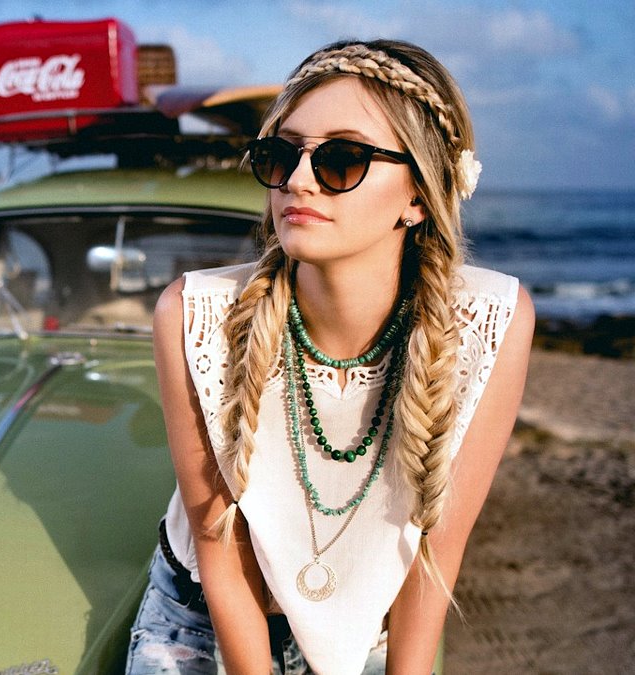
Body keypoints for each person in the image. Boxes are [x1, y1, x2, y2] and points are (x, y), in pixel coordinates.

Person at [126, 39, 534, 675]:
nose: (297, 179)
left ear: (419, 198)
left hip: (368, 618)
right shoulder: (193, 314)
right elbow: (220, 548)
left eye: (342, 159)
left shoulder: (492, 322)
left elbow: (437, 551)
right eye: (280, 153)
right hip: (205, 619)